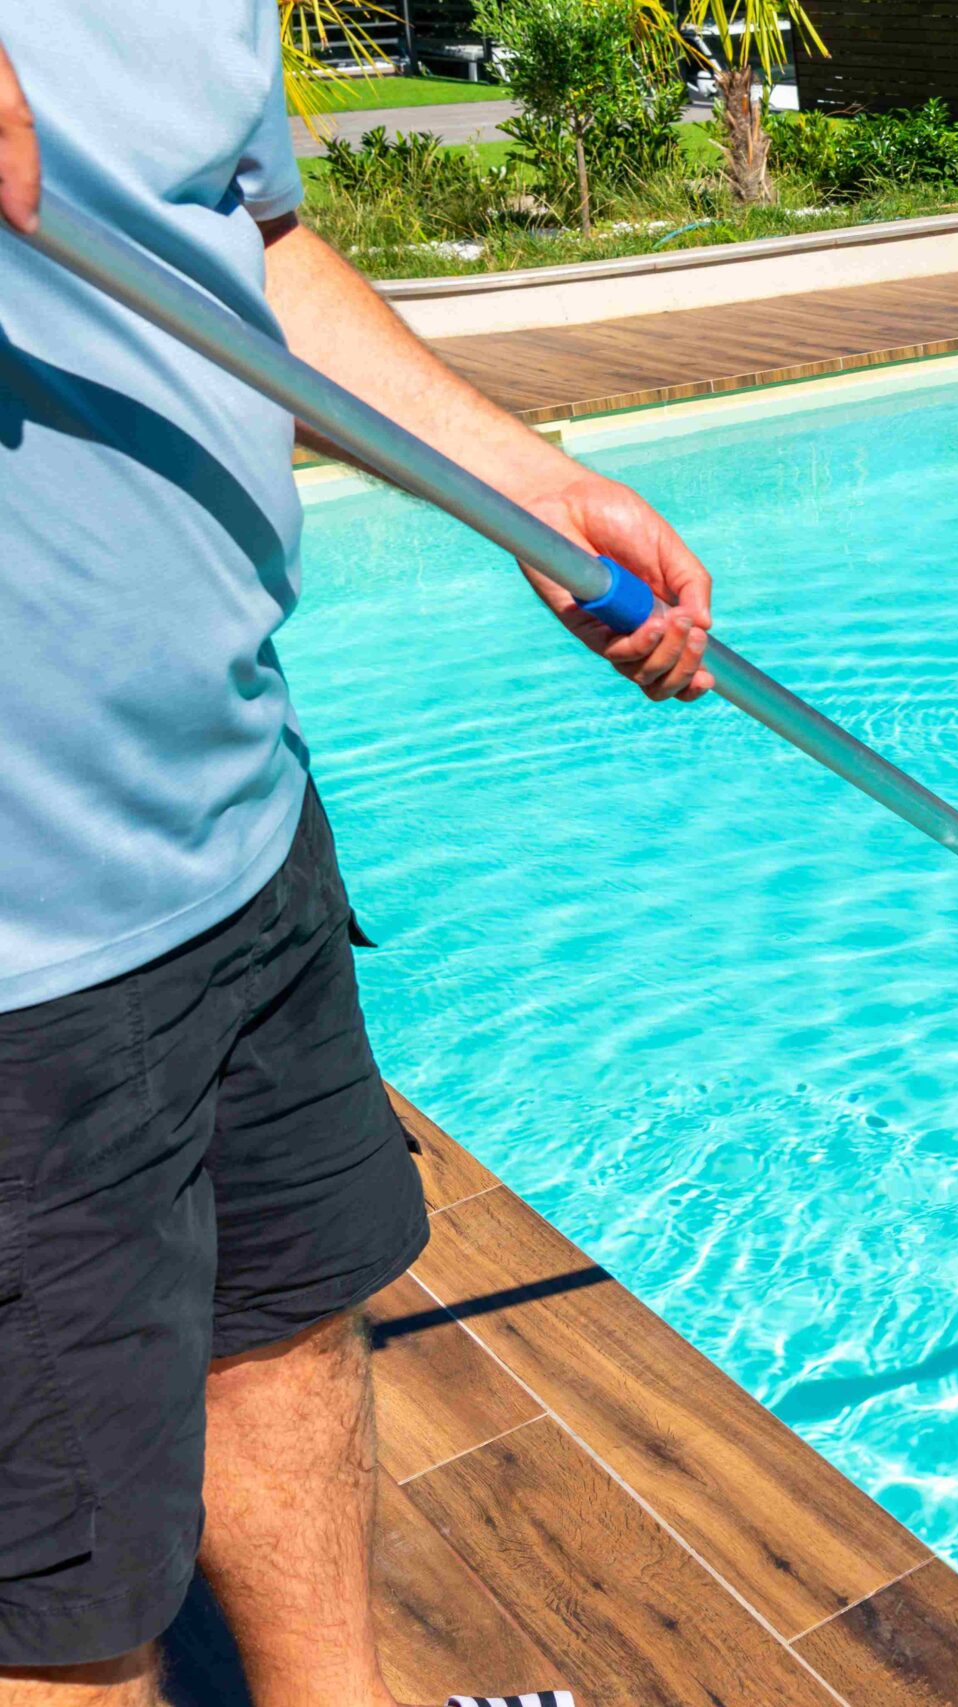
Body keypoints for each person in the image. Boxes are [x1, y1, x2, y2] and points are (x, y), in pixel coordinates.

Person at [0, 10, 717, 1704]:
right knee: (60, 1598)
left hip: (234, 816)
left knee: (287, 1328)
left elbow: (249, 247)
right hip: (25, 951)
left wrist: (521, 483)